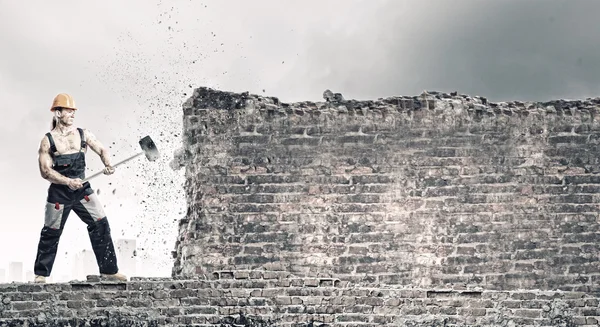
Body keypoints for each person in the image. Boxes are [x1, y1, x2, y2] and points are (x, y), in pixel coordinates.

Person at [33, 93, 127, 283]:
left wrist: (108, 164)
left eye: (73, 111)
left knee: (100, 224)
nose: (72, 114)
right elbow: (45, 171)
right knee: (51, 232)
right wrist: (67, 181)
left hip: (82, 190)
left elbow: (102, 149)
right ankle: (41, 275)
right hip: (59, 193)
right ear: (58, 113)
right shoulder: (48, 140)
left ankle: (109, 271)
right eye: (68, 111)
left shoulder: (83, 134)